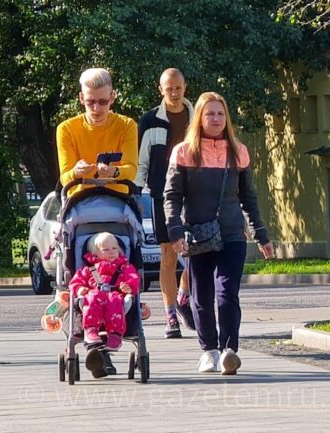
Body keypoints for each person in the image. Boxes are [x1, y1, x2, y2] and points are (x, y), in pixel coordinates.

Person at [163, 92, 274, 375]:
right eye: (210, 114)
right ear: (199, 117)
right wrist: (175, 230)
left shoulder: (238, 151)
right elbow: (172, 196)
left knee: (227, 293)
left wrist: (262, 235)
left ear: (227, 118)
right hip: (198, 235)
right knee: (201, 295)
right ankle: (208, 351)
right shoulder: (184, 152)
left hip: (232, 233)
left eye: (221, 114)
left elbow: (249, 198)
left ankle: (229, 351)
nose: (216, 119)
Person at [135, 68, 194, 338]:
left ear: (185, 87)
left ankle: (184, 296)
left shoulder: (198, 117)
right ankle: (170, 314)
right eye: (168, 88)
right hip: (162, 195)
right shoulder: (149, 121)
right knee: (169, 256)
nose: (174, 92)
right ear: (161, 89)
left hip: (196, 193)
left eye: (178, 87)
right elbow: (142, 162)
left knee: (199, 253)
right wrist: (135, 192)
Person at [57, 67, 138, 199]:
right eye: (90, 102)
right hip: (80, 203)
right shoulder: (66, 129)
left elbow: (132, 170)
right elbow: (65, 178)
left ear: (112, 98)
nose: (96, 108)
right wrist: (76, 172)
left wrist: (115, 172)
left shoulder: (127, 126)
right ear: (81, 98)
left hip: (118, 202)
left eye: (103, 102)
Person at [68, 232, 140, 379]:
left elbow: (133, 278)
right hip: (94, 300)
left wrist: (129, 287)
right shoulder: (89, 270)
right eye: (106, 249)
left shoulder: (125, 267)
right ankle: (91, 331)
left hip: (115, 298)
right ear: (95, 253)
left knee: (115, 300)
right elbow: (75, 282)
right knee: (91, 297)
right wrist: (79, 289)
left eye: (115, 248)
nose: (112, 251)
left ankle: (114, 335)